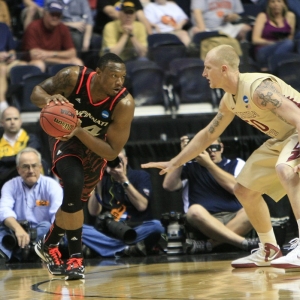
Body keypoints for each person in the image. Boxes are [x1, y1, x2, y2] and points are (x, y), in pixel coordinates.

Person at [141, 44, 300, 270]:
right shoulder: (229, 100)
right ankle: (269, 250)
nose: (204, 74)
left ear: (223, 69)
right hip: (281, 138)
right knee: (244, 189)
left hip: (298, 130)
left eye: (208, 68)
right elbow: (208, 134)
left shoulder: (259, 89)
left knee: (285, 169)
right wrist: (175, 161)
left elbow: (298, 117)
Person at [30, 52, 135, 280]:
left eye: (123, 77)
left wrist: (78, 130)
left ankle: (49, 244)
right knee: (73, 182)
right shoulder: (72, 77)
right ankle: (76, 259)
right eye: (113, 75)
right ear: (98, 73)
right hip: (63, 138)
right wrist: (49, 101)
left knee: (75, 203)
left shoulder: (124, 104)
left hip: (95, 146)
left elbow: (111, 151)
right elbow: (36, 92)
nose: (119, 82)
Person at [163, 136, 259, 254]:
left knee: (255, 208)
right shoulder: (190, 166)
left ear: (222, 147)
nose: (212, 151)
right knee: (194, 211)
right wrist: (182, 155)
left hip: (234, 217)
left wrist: (209, 165)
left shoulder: (236, 164)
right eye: (207, 148)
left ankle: (210, 245)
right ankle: (243, 242)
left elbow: (236, 188)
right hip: (204, 220)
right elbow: (168, 186)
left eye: (215, 147)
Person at [82, 148, 165, 257]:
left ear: (126, 160)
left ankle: (102, 249)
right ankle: (126, 249)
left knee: (157, 226)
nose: (115, 162)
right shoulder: (103, 180)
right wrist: (97, 183)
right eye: (111, 160)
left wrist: (123, 179)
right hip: (109, 232)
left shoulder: (140, 176)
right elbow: (93, 212)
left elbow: (142, 206)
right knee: (74, 228)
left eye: (118, 159)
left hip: (133, 230)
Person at [0, 147, 63, 263]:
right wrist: (18, 229)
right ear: (18, 169)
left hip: (42, 232)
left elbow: (57, 216)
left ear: (40, 167)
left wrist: (53, 242)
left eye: (34, 166)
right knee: (2, 231)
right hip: (15, 231)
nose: (30, 170)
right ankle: (23, 253)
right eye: (25, 166)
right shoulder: (10, 185)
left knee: (47, 227)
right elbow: (4, 211)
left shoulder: (52, 186)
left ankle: (16, 252)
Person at [21, 0, 83, 72]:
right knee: (38, 64)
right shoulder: (33, 27)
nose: (55, 17)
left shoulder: (63, 27)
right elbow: (34, 56)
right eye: (52, 14)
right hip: (34, 61)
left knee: (77, 62)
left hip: (53, 59)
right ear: (45, 13)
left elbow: (72, 53)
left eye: (58, 15)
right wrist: (62, 61)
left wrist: (50, 54)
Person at [0, 106, 46, 192]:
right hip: (7, 190)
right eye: (8, 119)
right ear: (2, 122)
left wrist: (4, 161)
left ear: (20, 121)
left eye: (15, 118)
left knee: (40, 163)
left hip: (35, 189)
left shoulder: (31, 139)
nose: (12, 122)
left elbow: (31, 159)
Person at [251, 0, 296, 71]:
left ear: (284, 4)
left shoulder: (290, 16)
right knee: (288, 43)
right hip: (263, 50)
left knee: (289, 43)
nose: (276, 4)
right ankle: (273, 67)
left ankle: (271, 66)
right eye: (272, 2)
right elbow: (255, 40)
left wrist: (280, 43)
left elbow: (290, 37)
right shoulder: (263, 16)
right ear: (268, 4)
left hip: (283, 48)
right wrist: (273, 43)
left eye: (279, 1)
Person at [0, 22, 28, 114]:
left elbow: (11, 48)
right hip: (1, 66)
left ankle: (24, 102)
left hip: (5, 62)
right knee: (2, 69)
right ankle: (3, 105)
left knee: (24, 66)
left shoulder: (3, 27)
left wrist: (11, 55)